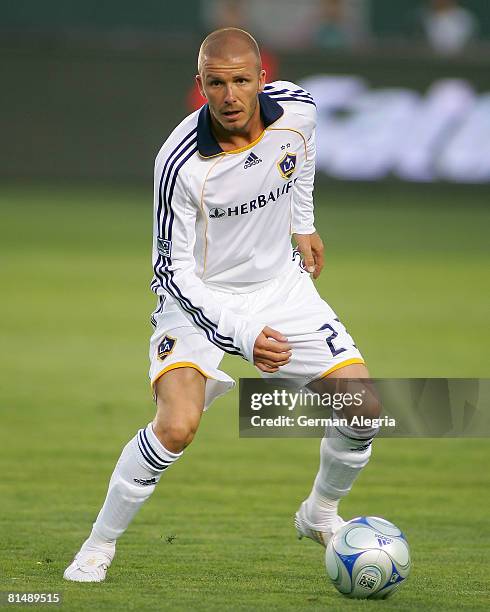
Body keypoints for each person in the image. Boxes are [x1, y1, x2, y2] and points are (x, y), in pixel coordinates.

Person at [63, 27, 380, 583]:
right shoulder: (179, 165)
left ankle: (319, 514)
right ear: (200, 86)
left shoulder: (298, 109)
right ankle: (98, 544)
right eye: (216, 83)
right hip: (198, 304)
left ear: (262, 77)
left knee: (365, 411)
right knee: (178, 426)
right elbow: (174, 272)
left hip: (280, 289)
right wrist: (239, 333)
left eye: (240, 81)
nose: (230, 96)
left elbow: (300, 159)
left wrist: (303, 225)